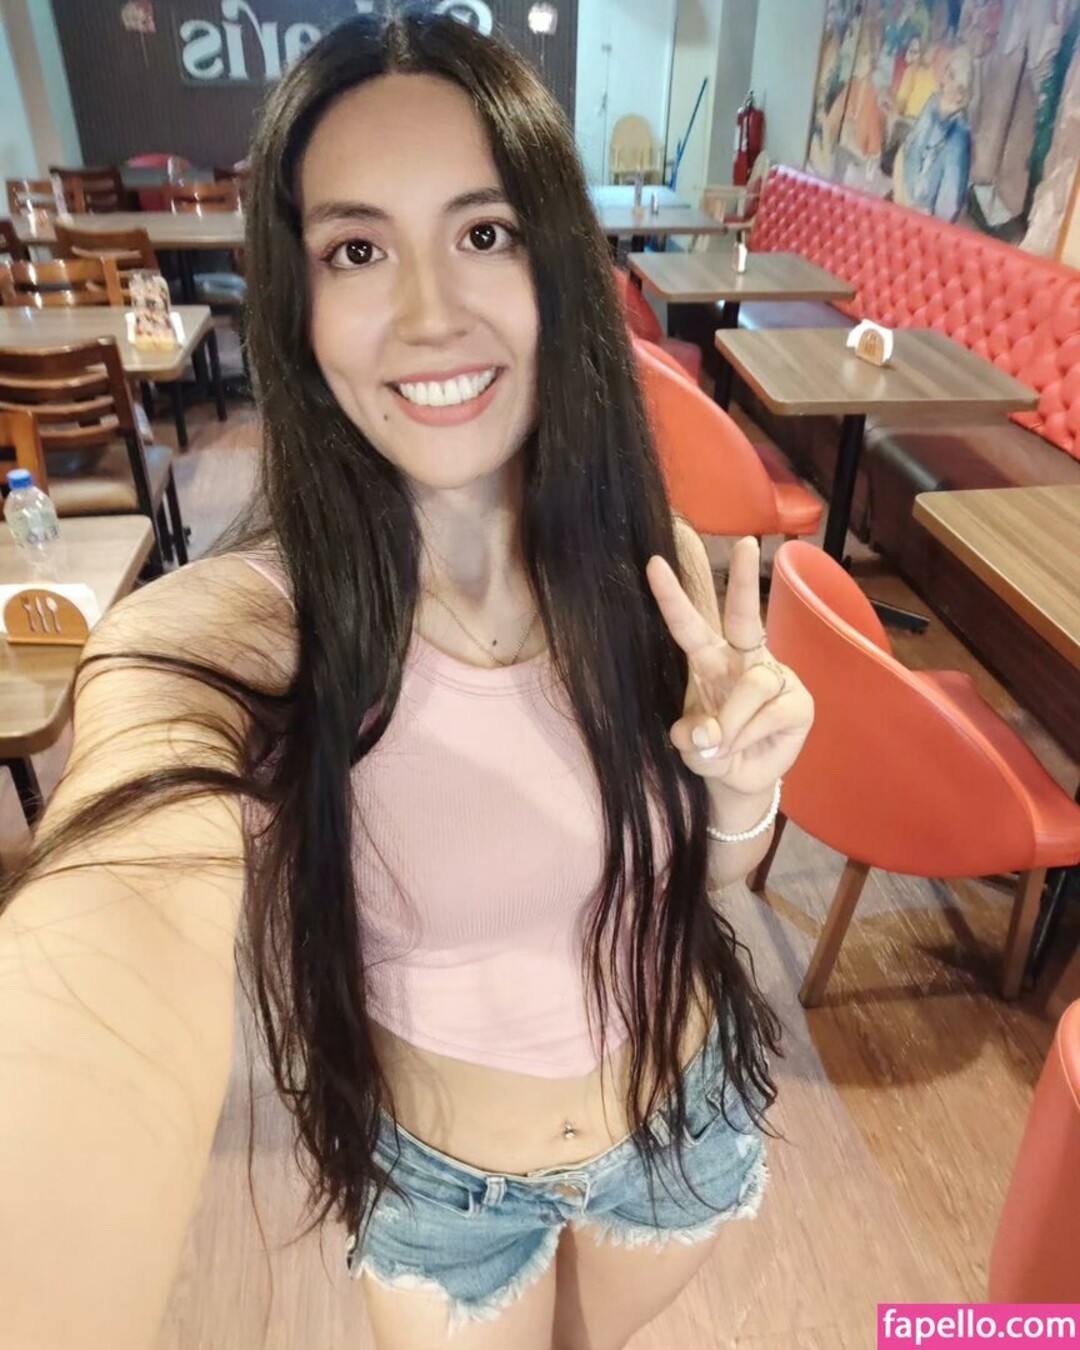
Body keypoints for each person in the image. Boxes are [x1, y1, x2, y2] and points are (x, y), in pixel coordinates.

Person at [0, 14, 814, 1350]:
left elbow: (713, 884)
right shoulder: (238, 636)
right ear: (298, 298)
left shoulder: (648, 561)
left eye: (486, 233)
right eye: (358, 250)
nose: (432, 312)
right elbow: (107, 950)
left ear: (559, 265)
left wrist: (743, 788)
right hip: (451, 1201)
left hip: (679, 1130)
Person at [894, 44, 975, 220]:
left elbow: (947, 209)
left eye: (963, 85)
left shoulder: (960, 137)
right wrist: (900, 196)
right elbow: (907, 149)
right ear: (945, 75)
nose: (955, 89)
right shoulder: (932, 104)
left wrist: (913, 210)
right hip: (902, 201)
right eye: (952, 76)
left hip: (924, 221)